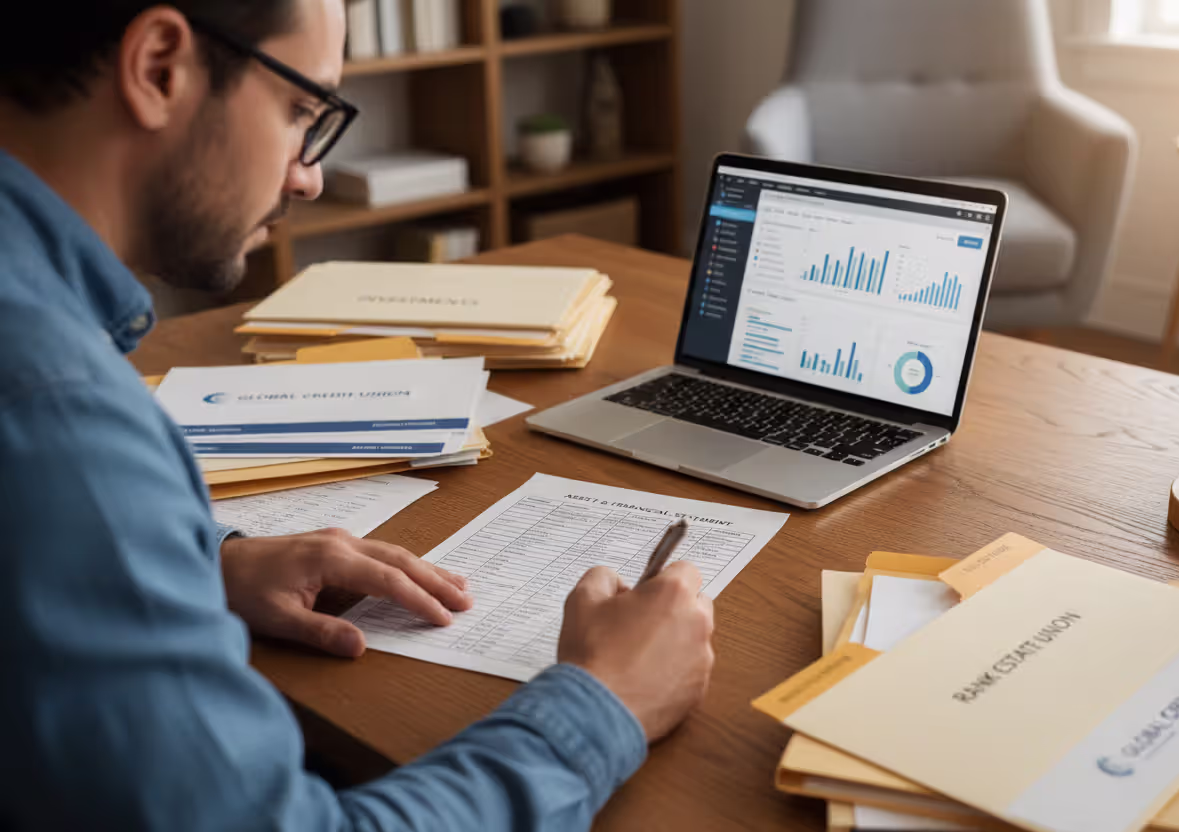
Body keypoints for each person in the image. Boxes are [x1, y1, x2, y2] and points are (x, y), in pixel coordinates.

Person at [0, 1, 716, 829]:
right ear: (160, 65)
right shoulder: (59, 416)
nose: (307, 175)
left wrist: (204, 565)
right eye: (302, 110)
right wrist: (604, 702)